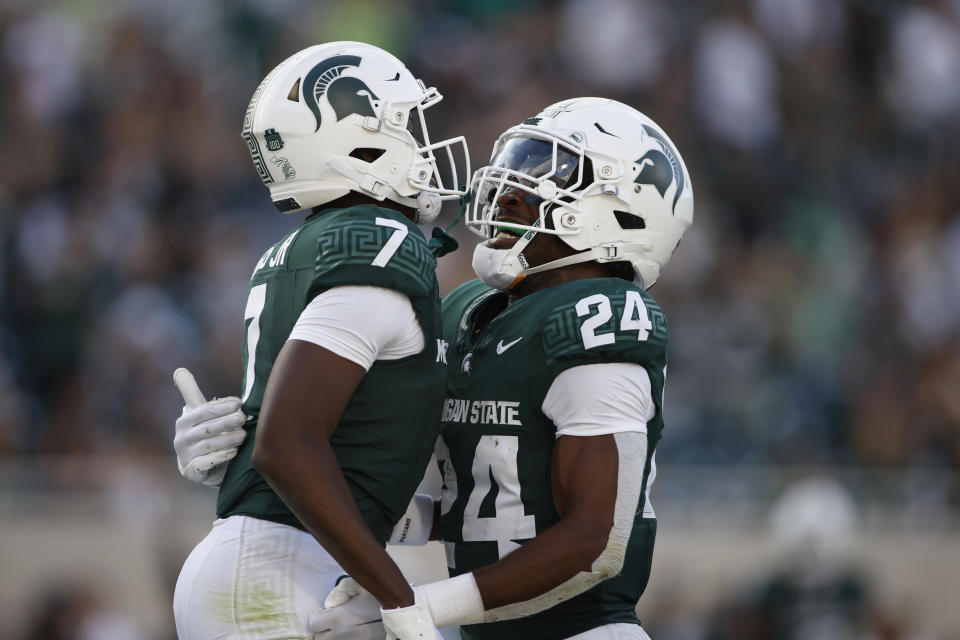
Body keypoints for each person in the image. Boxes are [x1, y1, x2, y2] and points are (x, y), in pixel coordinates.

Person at [178, 98, 694, 640]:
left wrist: (421, 602)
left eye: (550, 170)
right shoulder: (468, 311)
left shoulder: (599, 315)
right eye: (519, 162)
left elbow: (597, 541)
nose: (511, 187)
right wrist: (249, 462)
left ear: (622, 209)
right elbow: (478, 500)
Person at [170, 41, 469, 640]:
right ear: (358, 142)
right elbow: (287, 444)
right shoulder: (379, 240)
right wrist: (400, 599)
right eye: (403, 123)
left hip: (282, 560)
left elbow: (340, 439)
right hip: (278, 569)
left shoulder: (315, 243)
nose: (419, 141)